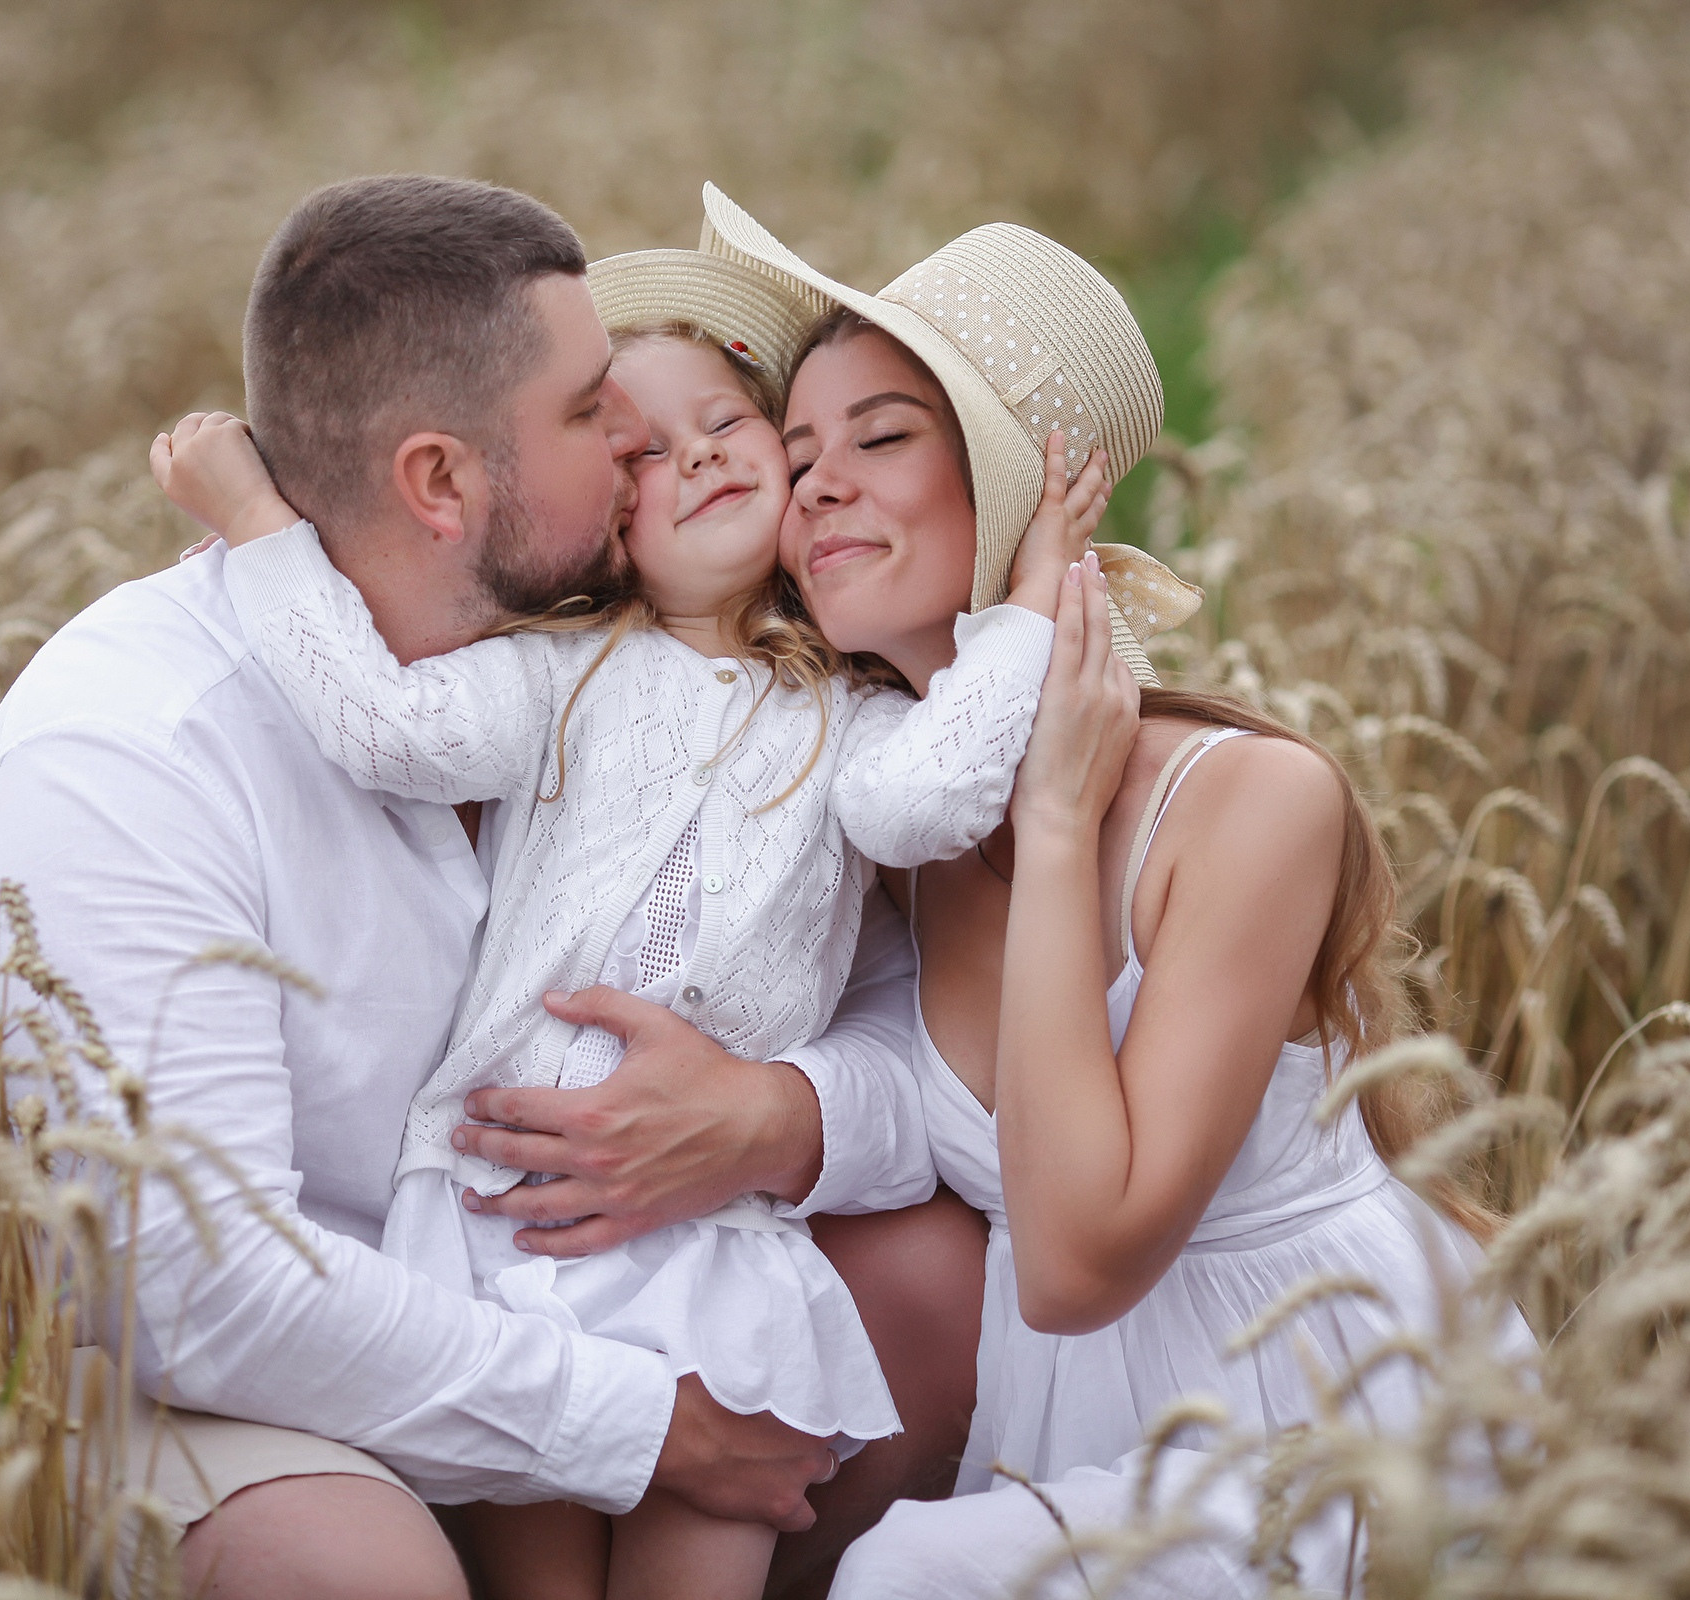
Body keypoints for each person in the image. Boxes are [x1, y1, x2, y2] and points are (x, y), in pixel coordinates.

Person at [0, 176, 961, 1600]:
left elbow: (918, 1041)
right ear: (443, 483)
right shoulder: (132, 754)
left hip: (588, 1274)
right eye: (598, 413)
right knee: (363, 1574)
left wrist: (771, 1115)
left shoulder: (665, 668)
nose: (647, 445)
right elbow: (201, 1293)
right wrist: (643, 1428)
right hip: (222, 1375)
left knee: (932, 1273)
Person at [152, 251, 1114, 1592]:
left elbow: (925, 807)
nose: (704, 458)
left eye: (730, 427)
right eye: (649, 452)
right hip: (506, 1223)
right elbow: (380, 723)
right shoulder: (559, 677)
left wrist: (1020, 612)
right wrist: (258, 521)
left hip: (718, 1255)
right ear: (608, 516)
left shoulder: (854, 727)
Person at [669, 187, 1530, 1595]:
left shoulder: (1251, 804)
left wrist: (1060, 820)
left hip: (1302, 1408)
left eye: (881, 439)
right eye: (800, 451)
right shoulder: (879, 820)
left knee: (907, 1578)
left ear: (1012, 503)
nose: (815, 483)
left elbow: (1077, 1261)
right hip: (1056, 1411)